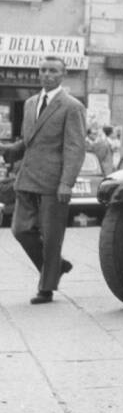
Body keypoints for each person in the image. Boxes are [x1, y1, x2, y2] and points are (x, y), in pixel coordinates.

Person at [0, 56, 87, 304]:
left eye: (53, 70)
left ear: (63, 74)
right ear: (38, 73)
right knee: (20, 230)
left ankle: (46, 288)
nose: (47, 74)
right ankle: (56, 266)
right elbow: (29, 141)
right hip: (27, 177)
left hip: (54, 181)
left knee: (51, 237)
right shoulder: (30, 103)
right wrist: (7, 149)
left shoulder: (72, 106)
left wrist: (66, 183)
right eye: (43, 70)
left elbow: (75, 148)